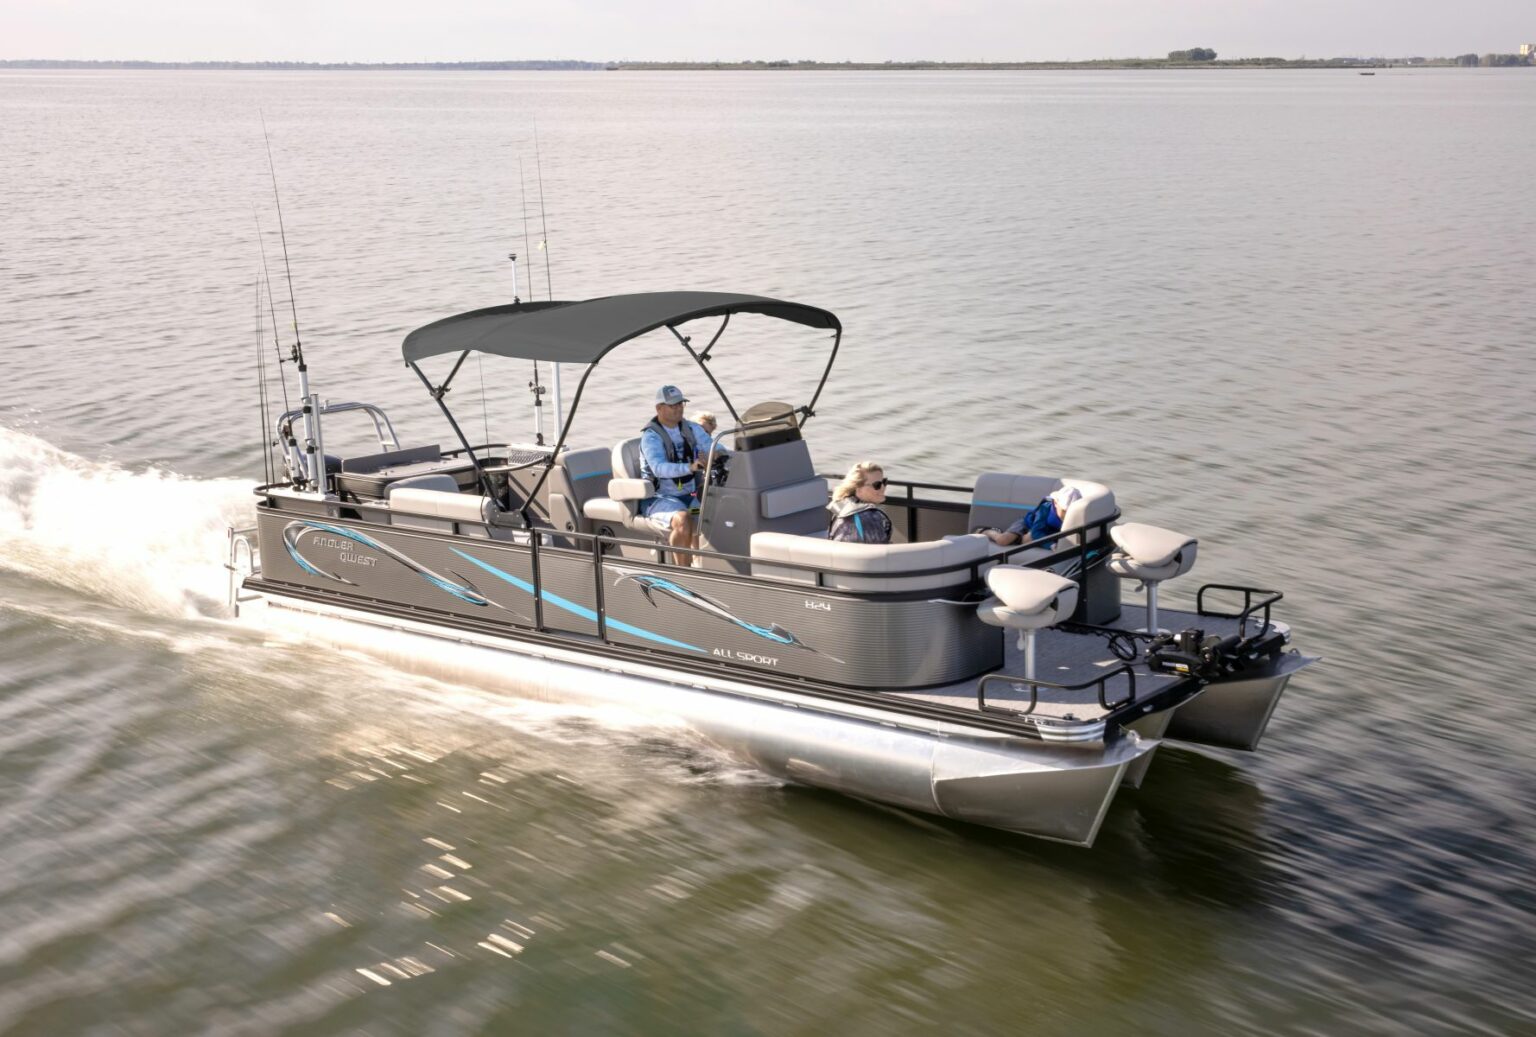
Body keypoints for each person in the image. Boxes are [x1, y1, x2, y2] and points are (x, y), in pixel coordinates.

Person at [639, 385, 713, 565]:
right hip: (658, 498)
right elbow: (658, 468)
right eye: (673, 406)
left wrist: (717, 453)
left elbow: (712, 446)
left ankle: (710, 565)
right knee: (683, 519)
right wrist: (690, 467)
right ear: (659, 409)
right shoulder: (650, 437)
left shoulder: (692, 428)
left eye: (681, 404)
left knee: (715, 510)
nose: (679, 408)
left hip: (690, 495)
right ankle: (683, 572)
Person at [978, 486, 1082, 548]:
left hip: (1049, 532)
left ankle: (1019, 540)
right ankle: (987, 530)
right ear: (1055, 503)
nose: (1067, 515)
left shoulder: (1077, 513)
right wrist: (1051, 545)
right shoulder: (1045, 509)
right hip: (1028, 524)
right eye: (1064, 510)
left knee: (1027, 540)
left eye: (1070, 511)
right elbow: (1036, 533)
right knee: (1003, 541)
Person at [827, 461, 893, 543]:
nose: (883, 487)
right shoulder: (870, 517)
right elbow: (880, 551)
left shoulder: (842, 506)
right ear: (858, 489)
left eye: (884, 482)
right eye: (877, 485)